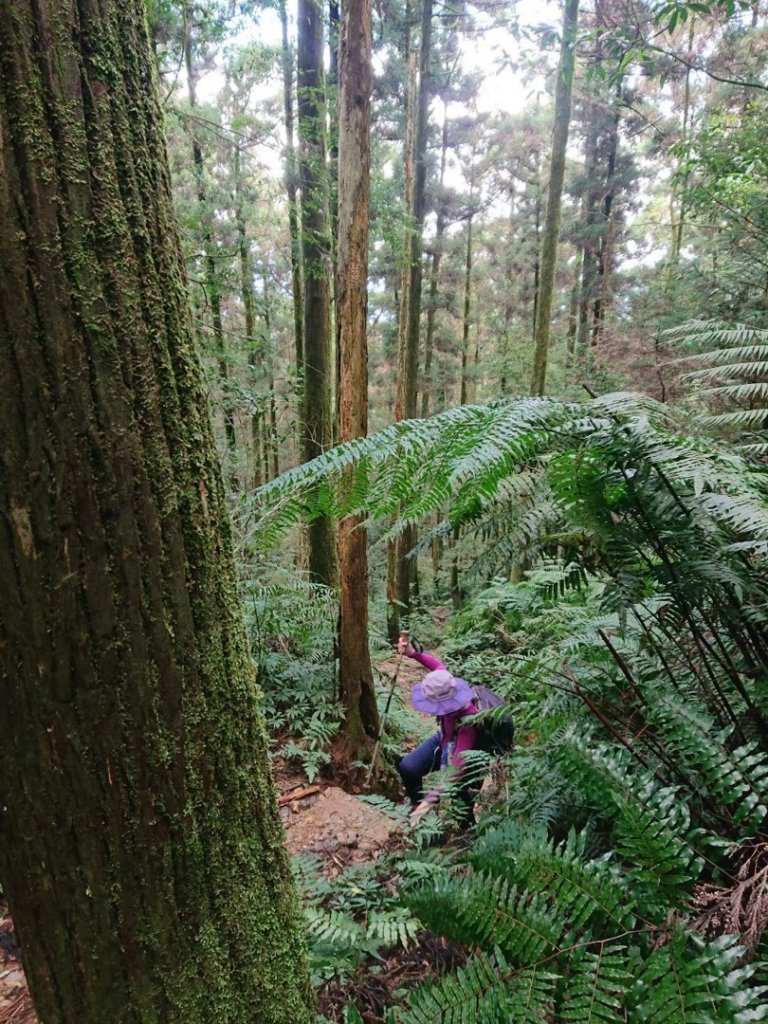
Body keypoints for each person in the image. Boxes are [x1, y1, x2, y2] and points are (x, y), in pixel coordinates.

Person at [396, 634, 482, 826]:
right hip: (444, 741)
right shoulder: (445, 682)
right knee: (408, 768)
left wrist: (428, 802)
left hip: (469, 760)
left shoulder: (468, 723)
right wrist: (412, 653)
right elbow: (437, 666)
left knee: (461, 807)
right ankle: (419, 809)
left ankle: (466, 833)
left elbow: (456, 771)